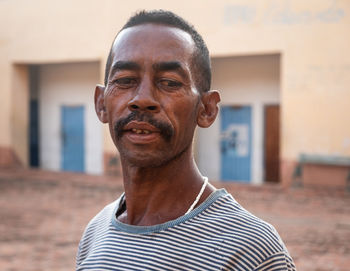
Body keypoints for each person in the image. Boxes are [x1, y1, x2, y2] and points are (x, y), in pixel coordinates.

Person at [76, 10, 296, 271]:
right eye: (125, 81)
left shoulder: (250, 250)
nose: (143, 99)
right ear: (101, 104)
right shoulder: (95, 233)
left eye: (169, 82)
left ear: (206, 109)